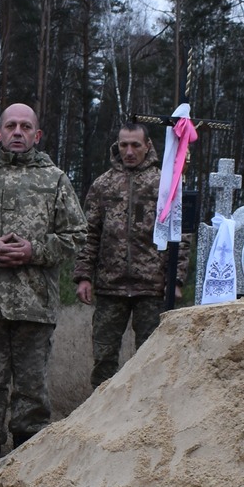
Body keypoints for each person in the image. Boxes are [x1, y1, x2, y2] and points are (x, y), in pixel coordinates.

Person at [0, 102, 86, 465]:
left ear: (37, 135)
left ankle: (25, 468)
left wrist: (34, 251)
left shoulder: (55, 179)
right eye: (11, 126)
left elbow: (77, 233)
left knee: (31, 391)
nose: (18, 132)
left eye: (25, 127)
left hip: (34, 305)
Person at [74, 122, 165, 386]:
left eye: (135, 145)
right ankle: (101, 417)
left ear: (147, 146)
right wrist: (83, 276)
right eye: (123, 144)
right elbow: (88, 234)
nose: (129, 151)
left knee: (151, 356)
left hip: (151, 287)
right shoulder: (103, 185)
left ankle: (145, 414)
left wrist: (176, 279)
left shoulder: (163, 184)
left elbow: (178, 236)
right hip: (110, 286)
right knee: (104, 357)